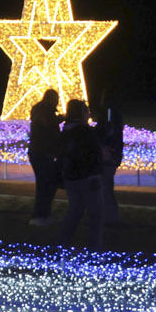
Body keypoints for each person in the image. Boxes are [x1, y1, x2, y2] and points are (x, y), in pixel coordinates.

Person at [55, 98, 105, 249]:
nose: (89, 114)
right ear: (82, 112)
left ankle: (63, 244)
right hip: (88, 177)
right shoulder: (86, 132)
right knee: (96, 216)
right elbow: (93, 155)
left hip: (71, 177)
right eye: (87, 111)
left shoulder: (65, 131)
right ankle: (94, 249)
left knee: (74, 212)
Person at [27, 90, 62, 225]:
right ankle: (40, 215)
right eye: (56, 98)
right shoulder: (45, 110)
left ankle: (42, 214)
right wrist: (61, 119)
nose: (58, 101)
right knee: (46, 185)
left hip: (39, 152)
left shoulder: (39, 109)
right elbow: (48, 123)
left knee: (46, 184)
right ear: (51, 98)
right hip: (42, 153)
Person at [96, 99, 126, 225]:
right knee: (107, 188)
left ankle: (110, 217)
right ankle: (110, 216)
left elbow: (104, 135)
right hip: (111, 158)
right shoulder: (115, 121)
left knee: (105, 189)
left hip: (107, 159)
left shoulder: (108, 120)